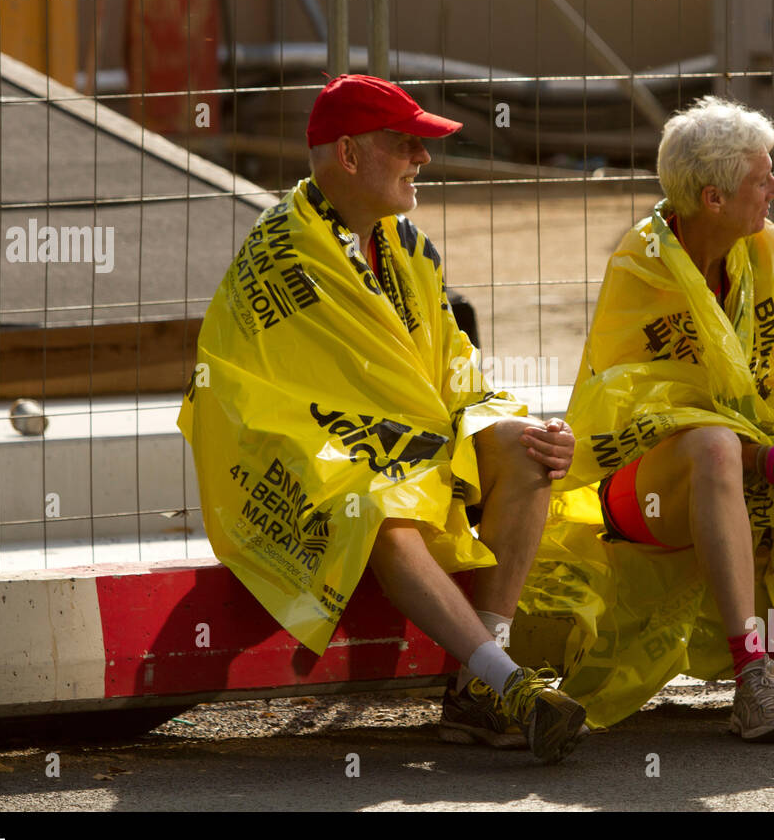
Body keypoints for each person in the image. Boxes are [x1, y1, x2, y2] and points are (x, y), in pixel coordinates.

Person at [177, 74, 588, 763]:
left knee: (524, 450)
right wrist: (404, 443)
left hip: (399, 441)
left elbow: (455, 366)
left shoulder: (406, 246)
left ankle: (478, 695)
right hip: (296, 455)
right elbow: (262, 403)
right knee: (375, 505)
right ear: (347, 154)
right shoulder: (283, 253)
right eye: (405, 144)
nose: (422, 159)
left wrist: (514, 422)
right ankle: (508, 682)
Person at [517, 95, 774, 740]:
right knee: (712, 443)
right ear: (713, 199)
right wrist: (767, 458)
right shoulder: (641, 265)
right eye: (761, 178)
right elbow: (650, 411)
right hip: (641, 487)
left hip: (746, 462)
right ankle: (750, 678)